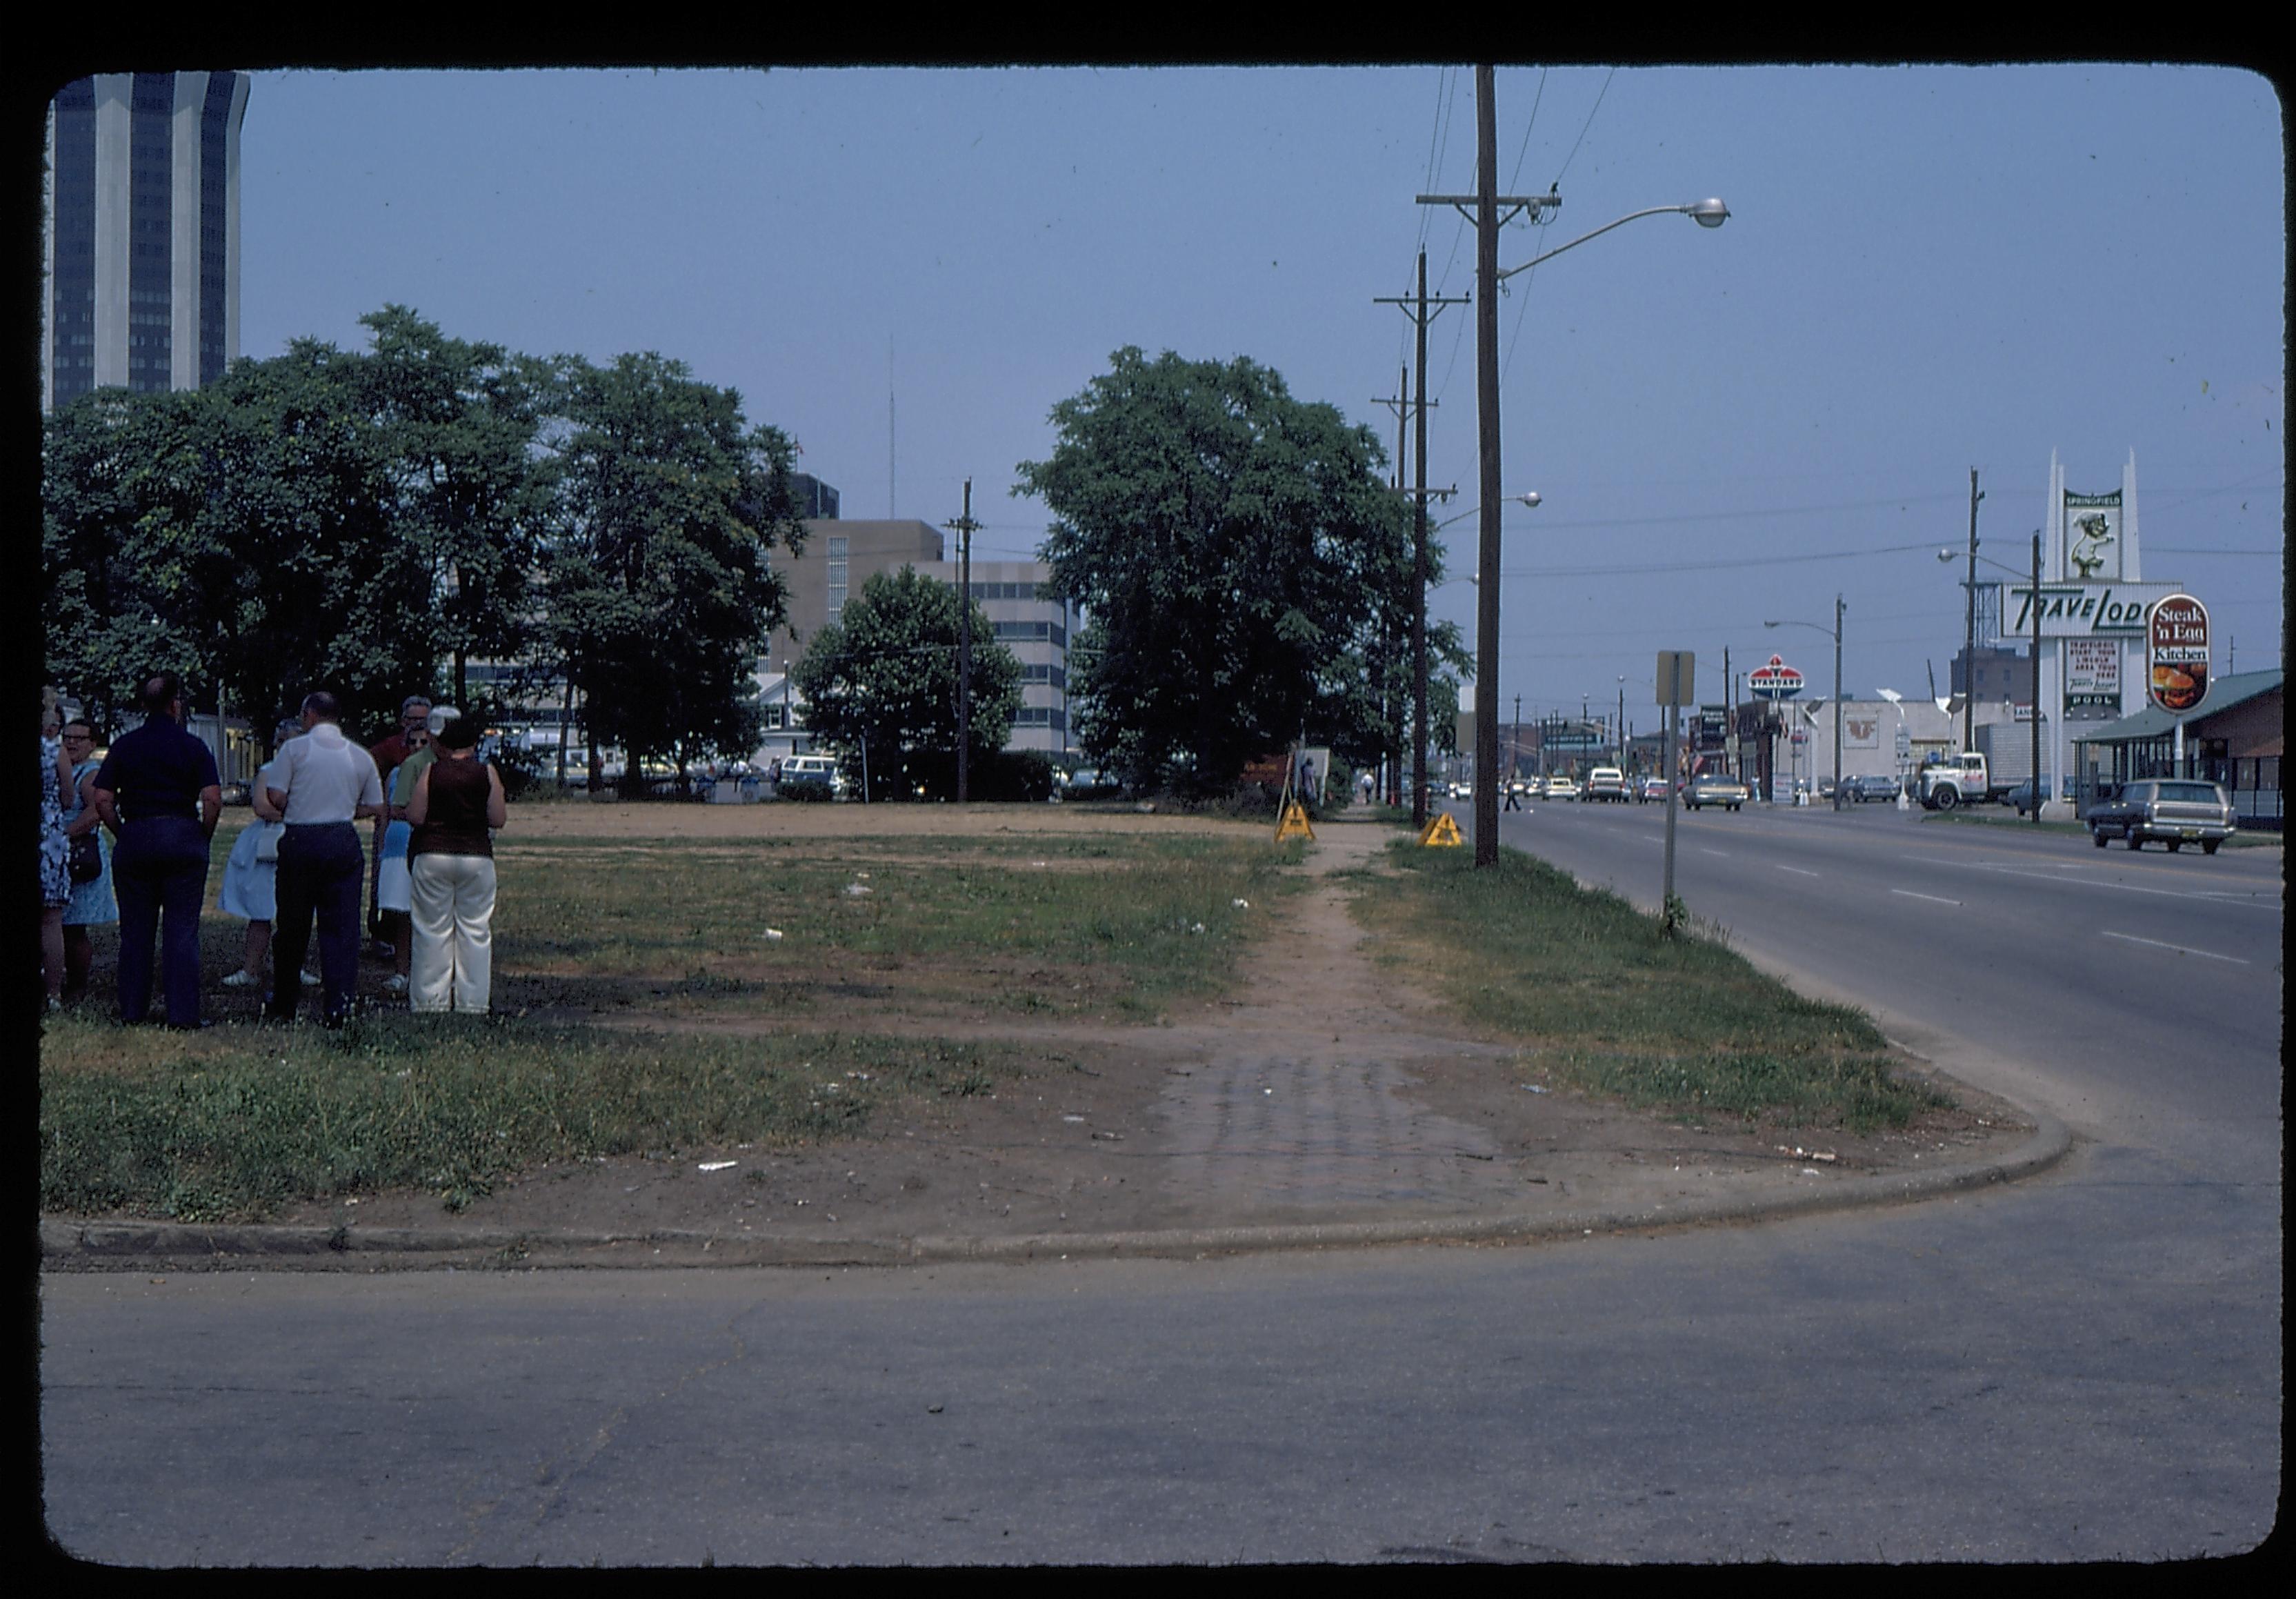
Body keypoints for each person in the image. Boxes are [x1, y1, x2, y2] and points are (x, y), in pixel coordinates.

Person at [88, 672, 222, 1029]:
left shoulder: (124, 746)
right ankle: (183, 1014)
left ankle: (132, 1009)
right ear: (176, 704)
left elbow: (102, 799)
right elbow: (211, 798)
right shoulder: (194, 747)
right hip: (182, 835)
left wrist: (122, 830)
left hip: (137, 836)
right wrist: (201, 835)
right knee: (182, 931)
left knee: (135, 931)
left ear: (144, 704)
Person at [263, 691, 384, 1028]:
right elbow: (375, 805)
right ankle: (339, 1004)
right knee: (342, 927)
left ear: (309, 715)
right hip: (342, 838)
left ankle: (285, 1002)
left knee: (292, 926)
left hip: (302, 838)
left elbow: (275, 795)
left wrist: (298, 804)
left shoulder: (294, 750)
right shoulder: (360, 756)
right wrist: (344, 808)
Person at [406, 706, 506, 1015]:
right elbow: (498, 819)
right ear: (473, 745)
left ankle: (428, 1003)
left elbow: (415, 816)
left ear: (444, 744)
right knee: (475, 930)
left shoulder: (432, 772)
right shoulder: (486, 772)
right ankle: (473, 1004)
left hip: (433, 854)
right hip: (476, 856)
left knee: (430, 930)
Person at [217, 718, 319, 995]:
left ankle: (293, 967)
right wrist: (298, 815)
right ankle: (251, 968)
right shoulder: (269, 770)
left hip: (301, 840)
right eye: (284, 740)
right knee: (262, 909)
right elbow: (262, 806)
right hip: (269, 842)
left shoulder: (313, 770)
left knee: (297, 911)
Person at [374, 708, 452, 997]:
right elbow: (388, 810)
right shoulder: (398, 772)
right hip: (398, 845)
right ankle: (402, 971)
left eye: (424, 741)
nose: (419, 747)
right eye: (414, 743)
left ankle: (431, 972)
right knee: (403, 915)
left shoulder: (440, 769)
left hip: (428, 844)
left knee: (430, 913)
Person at [366, 695, 432, 949]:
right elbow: (368, 766)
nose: (416, 724)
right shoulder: (390, 747)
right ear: (403, 720)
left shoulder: (433, 750)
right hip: (392, 821)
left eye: (422, 720)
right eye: (412, 719)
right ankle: (380, 934)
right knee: (384, 880)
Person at [59, 716, 118, 1002]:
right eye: (67, 736)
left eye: (79, 738)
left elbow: (97, 811)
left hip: (80, 854)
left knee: (74, 926)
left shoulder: (90, 774)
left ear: (92, 744)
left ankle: (77, 986)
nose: (71, 742)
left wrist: (65, 835)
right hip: (59, 853)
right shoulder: (63, 769)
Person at [38, 691, 74, 1013]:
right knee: (51, 920)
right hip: (48, 835)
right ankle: (53, 994)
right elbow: (68, 796)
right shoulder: (54, 751)